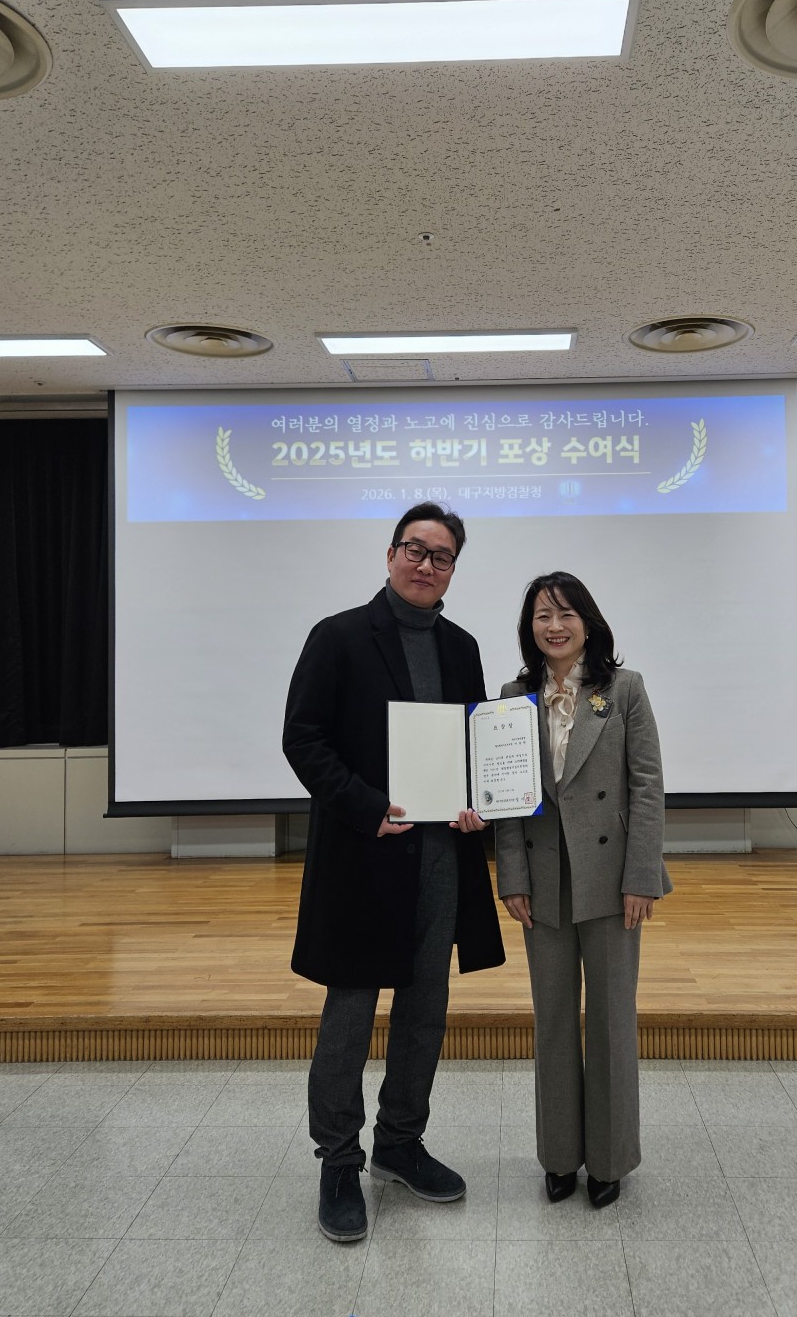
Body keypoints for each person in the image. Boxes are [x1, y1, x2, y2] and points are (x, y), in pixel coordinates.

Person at [282, 503, 505, 1243]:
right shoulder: (339, 636)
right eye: (416, 549)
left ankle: (400, 1144)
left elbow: (475, 746)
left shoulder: (462, 647)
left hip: (440, 858)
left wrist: (479, 801)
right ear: (390, 554)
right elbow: (303, 740)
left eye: (442, 556)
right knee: (350, 1011)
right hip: (362, 854)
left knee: (424, 1008)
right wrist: (367, 806)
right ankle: (338, 1160)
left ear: (453, 570)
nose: (426, 564)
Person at [494, 571, 670, 1208]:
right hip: (542, 879)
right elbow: (507, 800)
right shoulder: (513, 698)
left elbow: (647, 787)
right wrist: (511, 877)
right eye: (542, 615)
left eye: (565, 613)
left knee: (612, 1019)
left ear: (588, 624)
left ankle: (611, 1160)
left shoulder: (624, 690)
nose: (555, 626)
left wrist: (641, 876)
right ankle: (560, 1156)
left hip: (612, 879)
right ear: (530, 628)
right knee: (552, 1020)